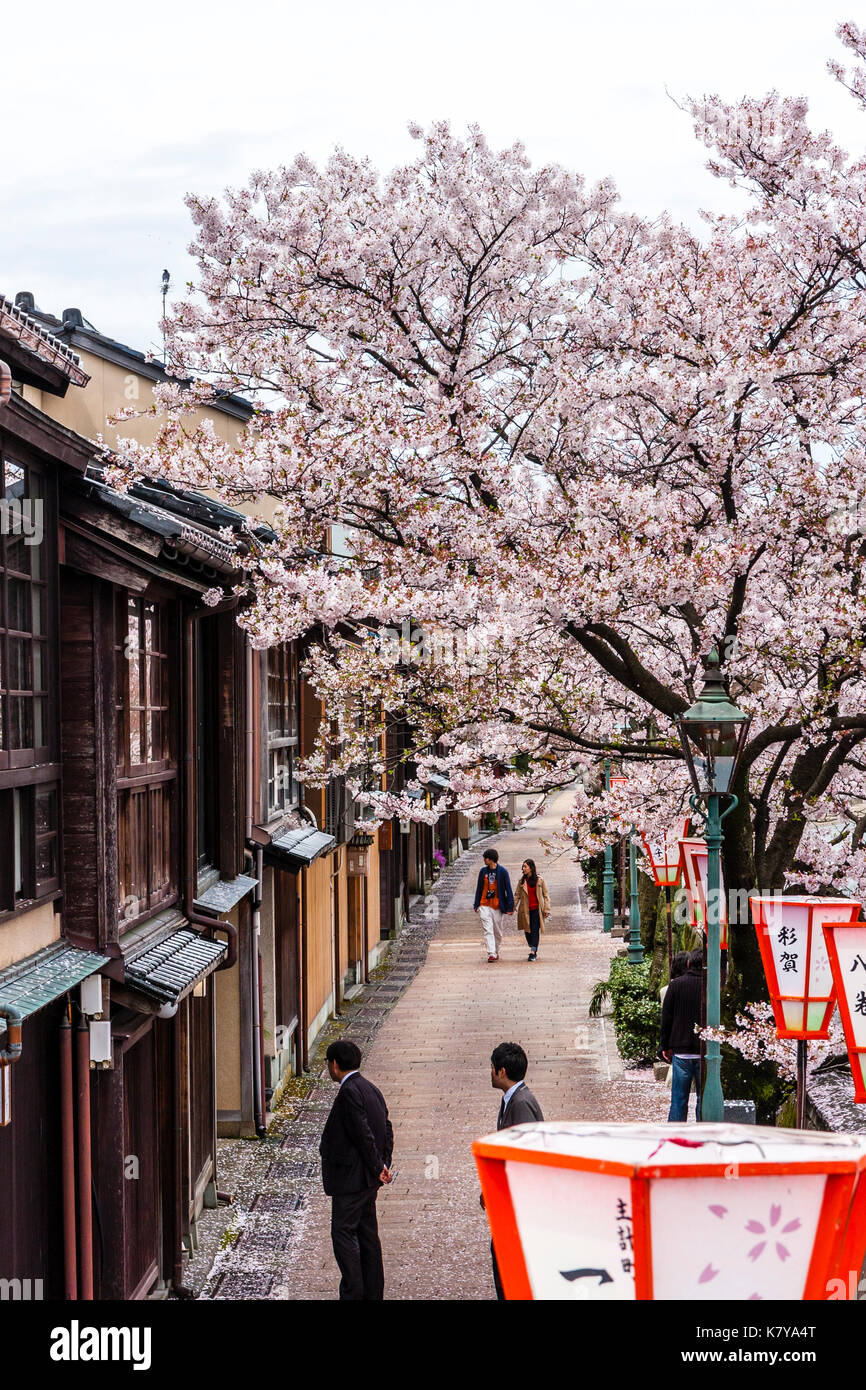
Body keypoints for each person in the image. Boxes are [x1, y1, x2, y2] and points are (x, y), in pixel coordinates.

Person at [319, 1039, 394, 1300]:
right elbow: (386, 1128)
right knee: (367, 1237)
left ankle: (354, 1291)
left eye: (328, 1063)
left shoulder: (350, 1092)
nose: (329, 1068)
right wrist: (384, 1164)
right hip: (366, 1180)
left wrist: (378, 1166)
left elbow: (363, 1133)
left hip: (351, 1181)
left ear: (335, 1065)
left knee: (343, 1233)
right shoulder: (371, 1088)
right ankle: (372, 1292)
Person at [482, 1041, 544, 1299]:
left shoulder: (520, 1104)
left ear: (502, 1071)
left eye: (493, 1068)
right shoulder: (513, 1099)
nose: (491, 1072)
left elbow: (526, 1157)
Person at [659, 947, 703, 1122]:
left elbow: (666, 1018)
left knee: (678, 1100)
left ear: (688, 963)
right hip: (704, 1051)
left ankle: (676, 1134)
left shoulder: (676, 985)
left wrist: (664, 1046)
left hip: (681, 1051)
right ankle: (703, 1132)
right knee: (703, 1100)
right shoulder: (712, 985)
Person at [473, 848, 515, 962]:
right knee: (488, 929)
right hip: (484, 904)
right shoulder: (483, 872)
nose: (484, 860)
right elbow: (479, 888)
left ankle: (496, 950)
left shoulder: (503, 872)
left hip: (497, 905)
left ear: (490, 859)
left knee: (497, 931)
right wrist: (476, 904)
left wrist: (510, 906)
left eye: (485, 858)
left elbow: (508, 890)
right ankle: (491, 953)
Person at [514, 858, 551, 962]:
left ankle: (533, 951)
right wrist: (513, 907)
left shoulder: (540, 880)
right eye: (523, 866)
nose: (523, 868)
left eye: (525, 866)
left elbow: (546, 895)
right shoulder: (521, 882)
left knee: (535, 930)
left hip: (536, 910)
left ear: (531, 868)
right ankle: (532, 945)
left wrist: (547, 909)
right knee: (527, 931)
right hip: (525, 910)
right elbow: (517, 895)